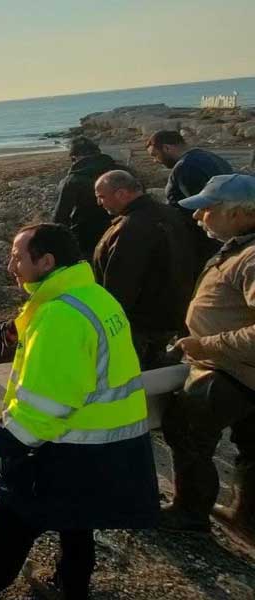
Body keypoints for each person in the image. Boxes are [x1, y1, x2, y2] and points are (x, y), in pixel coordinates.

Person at [0, 224, 158, 600]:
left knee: (15, 517)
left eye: (17, 256)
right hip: (108, 439)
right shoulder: (93, 296)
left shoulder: (59, 317)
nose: (9, 265)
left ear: (46, 261)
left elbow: (48, 401)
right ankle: (71, 587)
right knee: (76, 521)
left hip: (72, 443)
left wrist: (1, 439)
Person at [160, 174, 255, 544]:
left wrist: (208, 345)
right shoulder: (240, 246)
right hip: (237, 369)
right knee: (250, 444)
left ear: (238, 213)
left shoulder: (250, 256)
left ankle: (189, 513)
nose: (199, 217)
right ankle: (246, 516)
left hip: (230, 370)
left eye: (206, 209)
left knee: (184, 428)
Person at [92, 170, 198, 368]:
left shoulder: (131, 228)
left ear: (122, 194)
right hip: (172, 312)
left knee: (138, 374)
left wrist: (108, 321)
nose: (99, 203)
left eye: (102, 197)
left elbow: (121, 283)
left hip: (142, 322)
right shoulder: (169, 214)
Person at [146, 130, 233, 263]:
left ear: (166, 148)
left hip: (204, 241)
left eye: (155, 155)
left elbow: (202, 208)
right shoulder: (211, 157)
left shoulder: (185, 167)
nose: (155, 160)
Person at [52, 136, 124, 258]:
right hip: (122, 233)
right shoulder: (124, 172)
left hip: (86, 241)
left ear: (74, 158)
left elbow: (60, 218)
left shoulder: (72, 181)